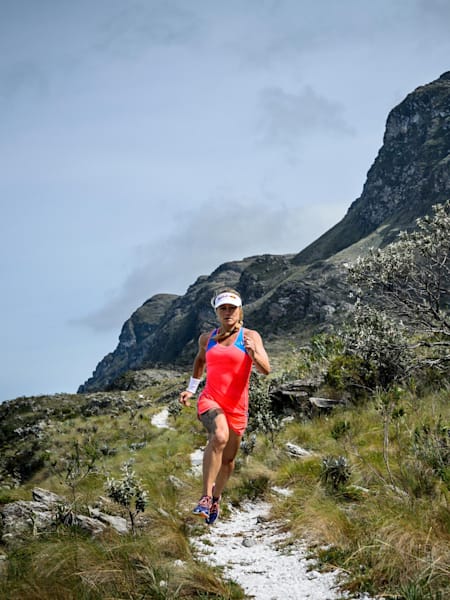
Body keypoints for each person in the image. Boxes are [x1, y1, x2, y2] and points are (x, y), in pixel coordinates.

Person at [179, 288, 271, 525]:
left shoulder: (250, 337)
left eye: (232, 308)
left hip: (237, 407)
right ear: (217, 312)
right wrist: (191, 388)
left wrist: (252, 354)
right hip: (211, 399)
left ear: (239, 310)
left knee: (228, 461)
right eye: (223, 308)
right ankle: (205, 497)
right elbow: (200, 360)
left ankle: (216, 498)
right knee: (219, 435)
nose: (227, 312)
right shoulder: (206, 339)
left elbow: (266, 369)